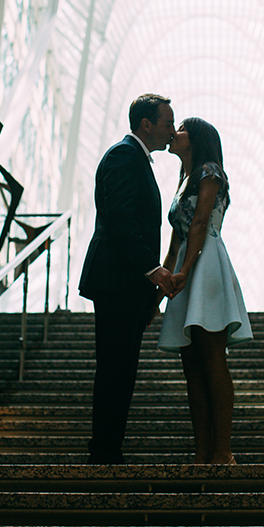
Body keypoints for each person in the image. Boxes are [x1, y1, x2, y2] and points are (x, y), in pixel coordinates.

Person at [79, 93, 178, 464]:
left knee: (120, 368)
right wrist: (151, 270)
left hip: (124, 284)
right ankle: (104, 452)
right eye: (167, 123)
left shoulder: (133, 158)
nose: (172, 130)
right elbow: (120, 218)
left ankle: (107, 448)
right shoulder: (124, 156)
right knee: (116, 369)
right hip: (118, 283)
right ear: (146, 124)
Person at [158, 117, 252, 464]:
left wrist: (182, 271)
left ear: (196, 139)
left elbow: (200, 222)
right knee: (192, 365)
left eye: (180, 129)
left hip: (206, 262)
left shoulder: (209, 171)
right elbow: (175, 239)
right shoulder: (184, 180)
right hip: (187, 265)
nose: (174, 133)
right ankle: (202, 451)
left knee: (212, 358)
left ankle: (222, 450)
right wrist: (161, 289)